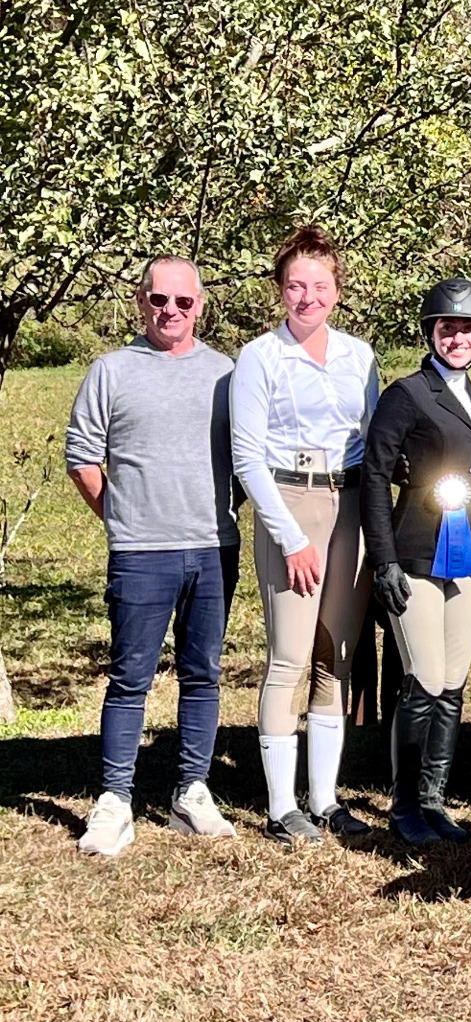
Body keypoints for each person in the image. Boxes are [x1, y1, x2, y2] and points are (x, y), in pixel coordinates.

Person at [66, 256, 240, 855]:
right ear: (141, 301)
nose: (171, 311)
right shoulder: (111, 370)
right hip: (141, 552)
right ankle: (115, 799)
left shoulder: (226, 374)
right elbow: (82, 457)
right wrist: (122, 517)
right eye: (159, 299)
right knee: (130, 677)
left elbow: (246, 456)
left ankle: (191, 791)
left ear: (200, 306)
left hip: (213, 548)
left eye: (183, 301)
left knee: (203, 674)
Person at [232, 225, 378, 846]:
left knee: (334, 656)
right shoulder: (260, 357)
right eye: (295, 286)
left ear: (337, 291)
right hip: (290, 503)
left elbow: (373, 438)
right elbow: (246, 457)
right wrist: (290, 538)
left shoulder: (360, 357)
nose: (307, 297)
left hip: (350, 506)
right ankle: (280, 806)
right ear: (280, 290)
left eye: (319, 286)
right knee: (289, 658)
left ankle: (324, 799)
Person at [362, 278, 471, 846]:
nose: (458, 338)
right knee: (422, 677)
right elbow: (374, 474)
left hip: (468, 558)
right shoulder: (407, 394)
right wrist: (383, 560)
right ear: (430, 333)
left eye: (468, 329)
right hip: (415, 553)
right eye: (448, 328)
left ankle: (435, 799)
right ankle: (405, 805)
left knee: (453, 683)